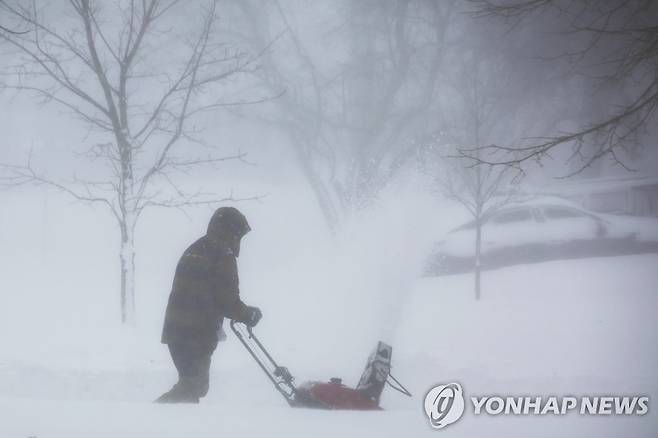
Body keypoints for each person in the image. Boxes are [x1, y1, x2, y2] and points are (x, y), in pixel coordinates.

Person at [156, 207, 262, 403]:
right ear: (233, 232)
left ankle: (168, 422)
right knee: (192, 387)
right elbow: (227, 299)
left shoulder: (196, 248)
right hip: (197, 332)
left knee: (191, 385)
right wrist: (248, 314)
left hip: (175, 329)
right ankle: (153, 418)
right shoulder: (223, 254)